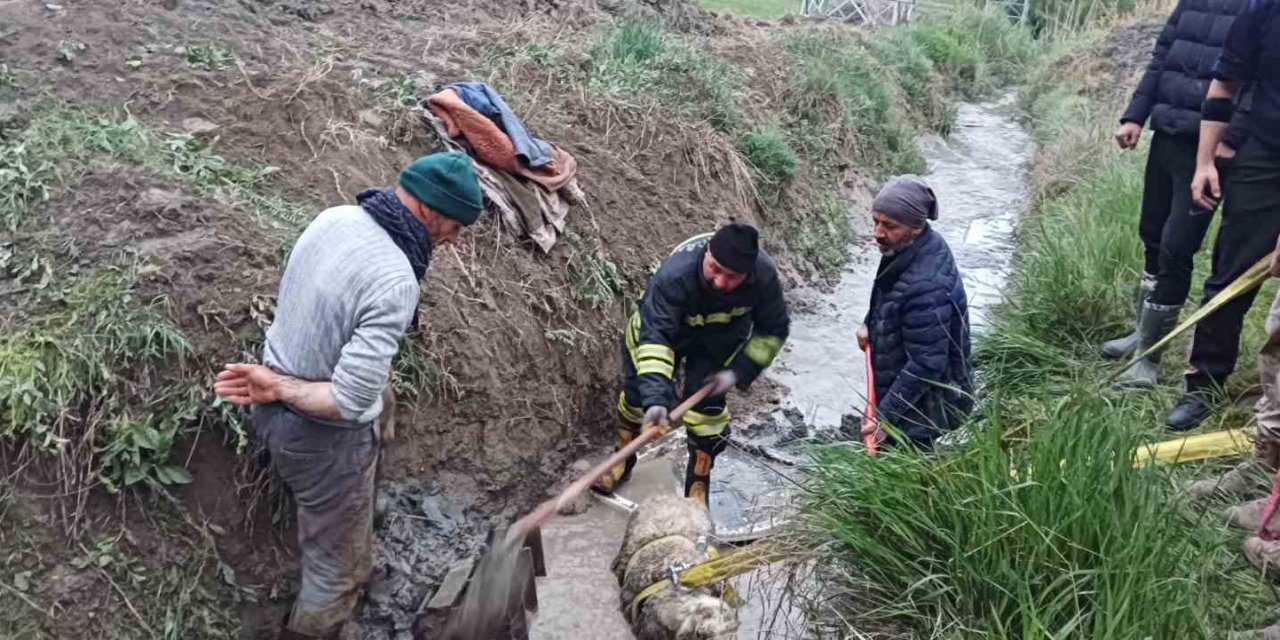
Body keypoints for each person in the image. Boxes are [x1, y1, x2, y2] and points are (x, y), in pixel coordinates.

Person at [212, 152, 483, 639]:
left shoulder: (335, 218)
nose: (455, 239)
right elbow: (347, 403)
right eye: (456, 225)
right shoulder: (396, 279)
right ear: (431, 211)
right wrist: (279, 388)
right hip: (317, 435)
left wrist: (276, 383)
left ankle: (361, 508)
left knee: (385, 398)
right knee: (338, 577)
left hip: (275, 387)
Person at [1100, 0, 1252, 388]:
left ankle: (1149, 358)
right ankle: (1141, 335)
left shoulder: (1257, 9)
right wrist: (1135, 115)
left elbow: (1257, 85)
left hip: (1207, 149)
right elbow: (1162, 57)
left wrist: (1229, 139)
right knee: (1151, 234)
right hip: (1166, 132)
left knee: (1176, 245)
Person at [593, 223, 790, 506]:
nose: (721, 282)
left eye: (732, 277)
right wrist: (656, 401)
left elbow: (772, 331)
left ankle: (698, 485)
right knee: (638, 396)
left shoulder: (764, 277)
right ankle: (622, 455)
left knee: (707, 412)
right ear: (706, 254)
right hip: (662, 331)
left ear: (748, 274)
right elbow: (656, 338)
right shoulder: (675, 276)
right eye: (715, 269)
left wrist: (738, 372)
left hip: (719, 336)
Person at [1171, 0, 1280, 432]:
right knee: (1230, 274)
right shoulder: (1263, 10)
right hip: (1266, 153)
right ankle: (1203, 385)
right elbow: (1222, 89)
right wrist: (1204, 164)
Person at [856, 176, 973, 449]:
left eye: (889, 226)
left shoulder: (928, 285)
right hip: (912, 388)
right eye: (875, 221)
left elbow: (926, 364)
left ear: (916, 226)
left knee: (911, 464)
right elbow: (890, 293)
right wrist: (868, 323)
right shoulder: (909, 246)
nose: (877, 232)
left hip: (930, 402)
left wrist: (885, 420)